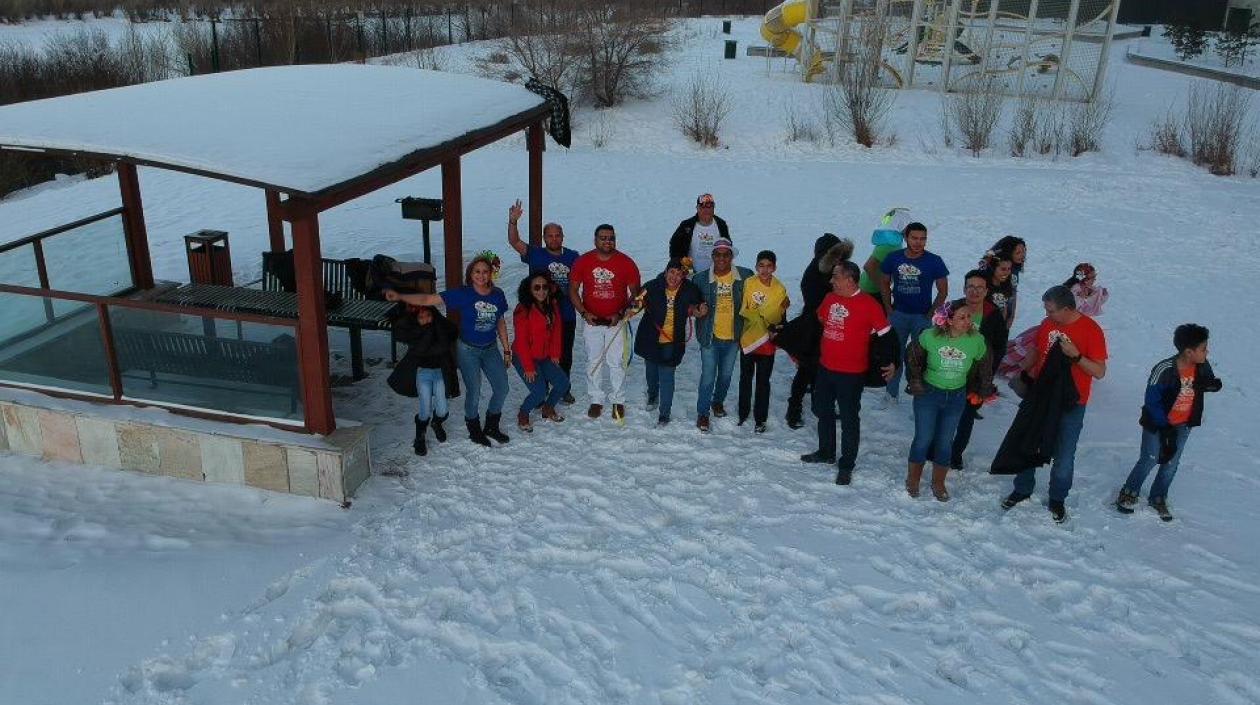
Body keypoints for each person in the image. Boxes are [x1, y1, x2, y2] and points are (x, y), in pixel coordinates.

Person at [997, 285, 1108, 523]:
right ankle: (1022, 489)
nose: (1047, 315)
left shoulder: (1091, 330)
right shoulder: (1048, 324)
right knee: (1027, 441)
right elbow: (1037, 349)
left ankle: (1057, 498)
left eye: (1051, 311)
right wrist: (1023, 371)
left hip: (1072, 401)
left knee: (1065, 454)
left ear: (1067, 309)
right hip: (1041, 395)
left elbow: (1099, 371)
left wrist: (1076, 356)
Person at [386, 255, 513, 446]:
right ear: (470, 273)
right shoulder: (463, 294)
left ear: (491, 274)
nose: (481, 275)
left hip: (490, 349)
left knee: (502, 387)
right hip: (468, 350)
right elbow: (428, 299)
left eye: (485, 271)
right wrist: (400, 296)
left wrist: (506, 348)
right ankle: (474, 427)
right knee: (474, 390)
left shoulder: (498, 294)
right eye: (477, 271)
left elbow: (500, 321)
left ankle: (492, 425)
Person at [801, 260, 897, 486]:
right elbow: (822, 319)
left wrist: (892, 362)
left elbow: (887, 336)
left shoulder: (869, 304)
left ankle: (846, 464)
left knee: (849, 419)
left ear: (850, 280)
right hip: (826, 368)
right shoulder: (830, 298)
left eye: (836, 276)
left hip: (851, 374)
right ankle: (826, 451)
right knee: (821, 409)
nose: (831, 280)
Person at [1116, 324, 1221, 521]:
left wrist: (1212, 385)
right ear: (1189, 352)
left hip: (1184, 424)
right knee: (1150, 457)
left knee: (1172, 461)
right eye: (1203, 348)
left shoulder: (1202, 365)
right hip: (1157, 424)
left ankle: (1158, 496)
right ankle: (1129, 491)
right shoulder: (1164, 369)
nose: (1207, 352)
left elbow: (1209, 381)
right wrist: (1164, 427)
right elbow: (1152, 400)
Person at [904, 299, 995, 501]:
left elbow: (985, 364)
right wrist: (916, 381)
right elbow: (912, 355)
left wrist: (982, 388)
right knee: (923, 438)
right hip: (929, 395)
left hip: (956, 397)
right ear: (949, 320)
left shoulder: (976, 340)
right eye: (961, 317)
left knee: (945, 441)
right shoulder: (930, 336)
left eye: (969, 316)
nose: (967, 321)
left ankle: (938, 482)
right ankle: (913, 478)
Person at [507, 199, 579, 403]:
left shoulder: (573, 256)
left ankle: (564, 388)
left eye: (557, 235)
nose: (554, 239)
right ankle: (542, 389)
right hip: (537, 314)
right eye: (550, 235)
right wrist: (513, 222)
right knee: (540, 352)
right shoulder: (536, 254)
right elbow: (515, 242)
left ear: (562, 237)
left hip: (565, 313)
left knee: (564, 354)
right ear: (544, 237)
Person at [570, 223, 642, 422]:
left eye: (611, 238)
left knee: (616, 362)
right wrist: (584, 313)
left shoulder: (626, 263)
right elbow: (573, 290)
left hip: (615, 322)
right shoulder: (583, 261)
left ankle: (618, 400)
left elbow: (637, 296)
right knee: (594, 360)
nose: (607, 241)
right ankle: (596, 399)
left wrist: (621, 313)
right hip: (591, 321)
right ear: (595, 240)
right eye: (603, 237)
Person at [785, 234, 850, 428]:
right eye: (835, 255)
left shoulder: (835, 271)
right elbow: (816, 303)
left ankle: (818, 404)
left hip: (830, 327)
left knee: (821, 370)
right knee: (806, 369)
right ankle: (793, 410)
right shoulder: (814, 274)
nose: (839, 259)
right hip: (813, 328)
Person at [880, 222, 949, 403]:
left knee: (920, 360)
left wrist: (930, 314)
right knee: (895, 355)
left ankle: (920, 398)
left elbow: (943, 290)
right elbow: (883, 282)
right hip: (898, 315)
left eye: (923, 238)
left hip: (922, 318)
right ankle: (891, 394)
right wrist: (888, 307)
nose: (919, 242)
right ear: (906, 238)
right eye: (914, 238)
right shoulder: (893, 258)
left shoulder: (934, 260)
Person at [1000, 262, 1106, 379]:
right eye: (1092, 278)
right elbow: (1071, 309)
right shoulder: (1074, 291)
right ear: (1084, 279)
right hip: (1061, 325)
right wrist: (1083, 298)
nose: (1094, 280)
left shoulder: (1086, 290)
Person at [634, 258, 706, 425]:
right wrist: (632, 309)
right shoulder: (652, 286)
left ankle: (664, 413)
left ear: (684, 276)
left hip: (673, 340)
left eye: (679, 274)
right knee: (651, 372)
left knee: (667, 376)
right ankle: (652, 394)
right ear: (666, 272)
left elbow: (698, 306)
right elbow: (636, 303)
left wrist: (700, 310)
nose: (674, 277)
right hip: (650, 338)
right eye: (672, 272)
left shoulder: (690, 289)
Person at [950, 270, 1010, 470]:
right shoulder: (952, 308)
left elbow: (999, 347)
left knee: (966, 417)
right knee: (945, 414)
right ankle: (939, 448)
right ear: (964, 288)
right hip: (949, 372)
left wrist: (988, 376)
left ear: (986, 291)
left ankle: (956, 454)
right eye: (970, 287)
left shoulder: (993, 315)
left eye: (979, 288)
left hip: (975, 378)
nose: (974, 291)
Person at [692, 238, 752, 433]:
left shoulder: (745, 276)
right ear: (712, 256)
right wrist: (696, 310)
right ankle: (703, 412)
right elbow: (691, 303)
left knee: (726, 375)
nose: (722, 258)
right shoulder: (700, 279)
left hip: (734, 336)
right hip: (710, 336)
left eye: (726, 255)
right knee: (708, 376)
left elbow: (757, 295)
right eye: (718, 254)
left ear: (731, 257)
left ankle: (717, 402)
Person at [386, 305, 458, 456]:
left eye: (428, 316)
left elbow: (444, 345)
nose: (425, 319)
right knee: (424, 408)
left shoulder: (440, 328)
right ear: (416, 320)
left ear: (434, 316)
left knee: (443, 409)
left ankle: (437, 422)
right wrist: (430, 330)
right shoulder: (414, 333)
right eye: (421, 317)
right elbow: (421, 349)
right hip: (422, 373)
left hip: (440, 373)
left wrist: (434, 328)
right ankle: (420, 436)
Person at [737, 250, 790, 432]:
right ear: (756, 266)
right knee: (745, 378)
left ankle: (760, 418)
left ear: (774, 267)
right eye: (761, 265)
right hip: (749, 338)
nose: (765, 270)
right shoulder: (749, 283)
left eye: (769, 266)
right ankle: (743, 413)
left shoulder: (780, 289)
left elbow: (782, 317)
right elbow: (744, 308)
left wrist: (774, 326)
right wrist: (758, 318)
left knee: (763, 381)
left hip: (767, 340)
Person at [512, 272, 570, 432]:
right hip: (525, 357)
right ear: (529, 290)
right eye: (536, 287)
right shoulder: (522, 310)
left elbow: (556, 331)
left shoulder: (552, 305)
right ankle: (523, 413)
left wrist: (555, 353)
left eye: (545, 287)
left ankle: (548, 407)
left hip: (544, 355)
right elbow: (522, 342)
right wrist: (528, 367)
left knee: (563, 383)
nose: (541, 291)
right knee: (539, 392)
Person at [668, 193, 730, 275]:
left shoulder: (721, 224)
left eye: (710, 207)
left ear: (714, 208)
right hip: (691, 275)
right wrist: (680, 263)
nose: (706, 210)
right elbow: (674, 246)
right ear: (697, 208)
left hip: (715, 274)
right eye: (702, 207)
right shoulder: (686, 225)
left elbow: (728, 246)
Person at [858, 207, 913, 299]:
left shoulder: (894, 241)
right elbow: (868, 267)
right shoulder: (890, 245)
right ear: (900, 226)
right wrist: (884, 288)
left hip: (872, 288)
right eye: (909, 227)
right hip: (869, 290)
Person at [979, 251, 1017, 328]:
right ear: (993, 268)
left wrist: (1010, 319)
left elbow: (1010, 304)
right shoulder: (981, 283)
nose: (1007, 273)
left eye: (1009, 269)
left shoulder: (1011, 279)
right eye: (1003, 269)